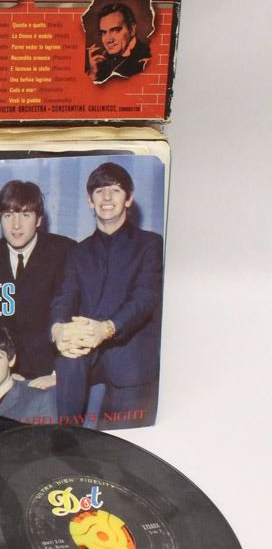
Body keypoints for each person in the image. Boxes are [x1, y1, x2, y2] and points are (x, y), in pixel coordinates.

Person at [50, 162, 163, 428]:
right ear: (90, 201)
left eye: (116, 190)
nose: (107, 197)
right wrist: (57, 330)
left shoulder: (150, 244)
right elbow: (64, 297)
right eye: (100, 191)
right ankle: (65, 439)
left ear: (129, 199)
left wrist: (107, 328)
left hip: (129, 353)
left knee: (119, 440)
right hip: (85, 348)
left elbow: (145, 297)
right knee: (68, 360)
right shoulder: (77, 252)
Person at [0, 180, 74, 387]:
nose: (16, 225)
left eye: (25, 215)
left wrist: (58, 375)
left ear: (39, 219)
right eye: (8, 215)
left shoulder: (66, 251)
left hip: (54, 374)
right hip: (6, 375)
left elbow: (75, 317)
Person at [87, 2, 150, 84]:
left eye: (115, 30)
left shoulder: (145, 61)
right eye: (104, 32)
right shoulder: (101, 62)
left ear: (132, 30)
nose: (109, 40)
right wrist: (93, 74)